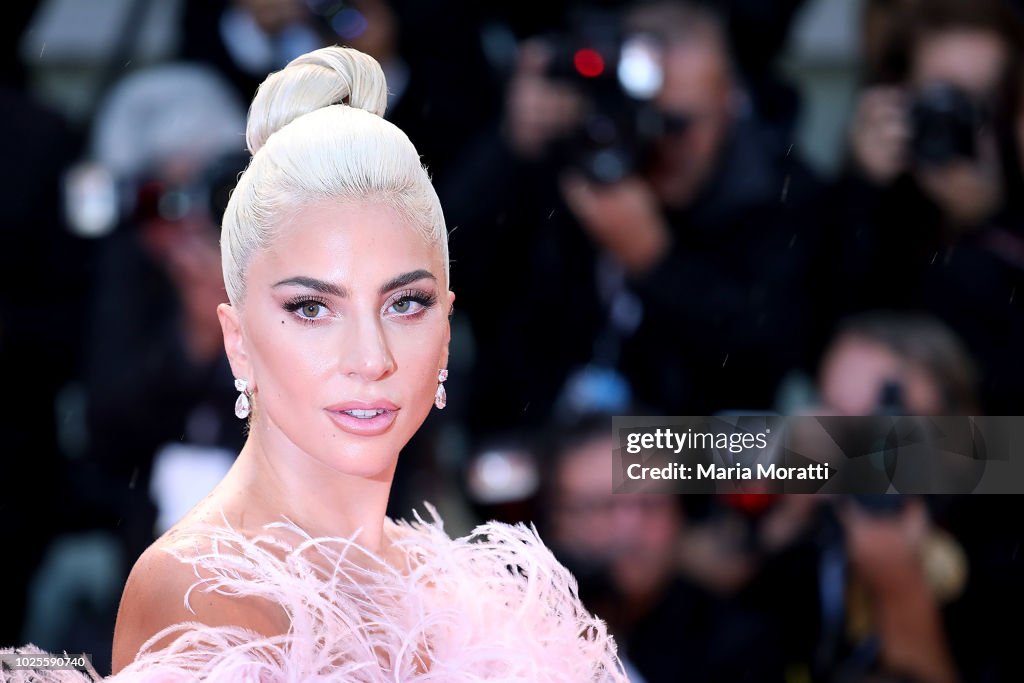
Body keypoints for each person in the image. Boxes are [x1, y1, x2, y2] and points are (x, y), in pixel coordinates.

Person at [0, 46, 630, 682]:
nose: (370, 358)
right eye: (310, 308)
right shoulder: (199, 593)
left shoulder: (478, 595)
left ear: (445, 331)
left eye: (406, 303)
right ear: (237, 338)